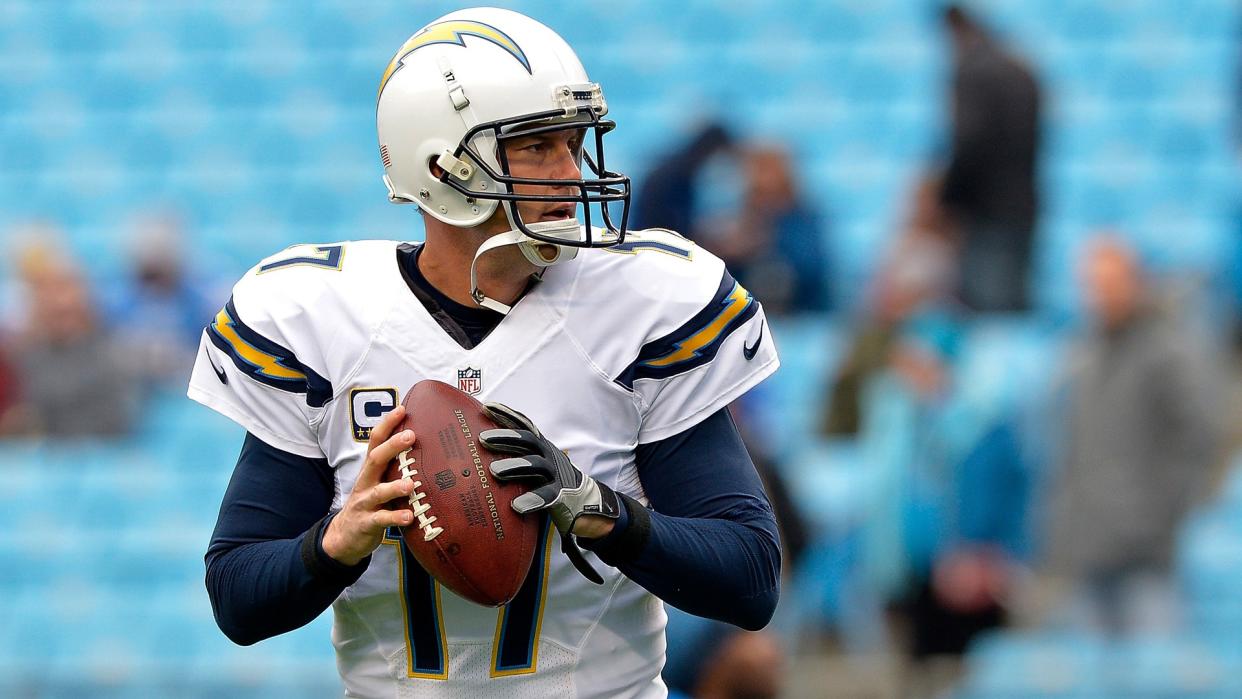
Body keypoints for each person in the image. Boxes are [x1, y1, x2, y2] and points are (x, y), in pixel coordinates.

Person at [188, 8, 781, 698]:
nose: (570, 170)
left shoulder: (642, 303)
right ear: (442, 166)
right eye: (536, 146)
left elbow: (751, 579)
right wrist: (335, 542)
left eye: (573, 142)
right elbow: (238, 598)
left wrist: (604, 512)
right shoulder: (319, 320)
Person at [1047, 236, 1218, 634]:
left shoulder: (1168, 350)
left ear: (1135, 282)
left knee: (1150, 677)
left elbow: (1199, 438)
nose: (1099, 294)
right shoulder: (1084, 353)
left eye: (1109, 282)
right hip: (1088, 546)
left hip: (1147, 553)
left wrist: (1158, 514)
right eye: (1091, 284)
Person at [939, 4, 1042, 312]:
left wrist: (948, 199)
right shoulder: (1022, 70)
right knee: (1013, 315)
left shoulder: (972, 72)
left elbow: (969, 142)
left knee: (988, 319)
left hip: (985, 214)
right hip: (1024, 207)